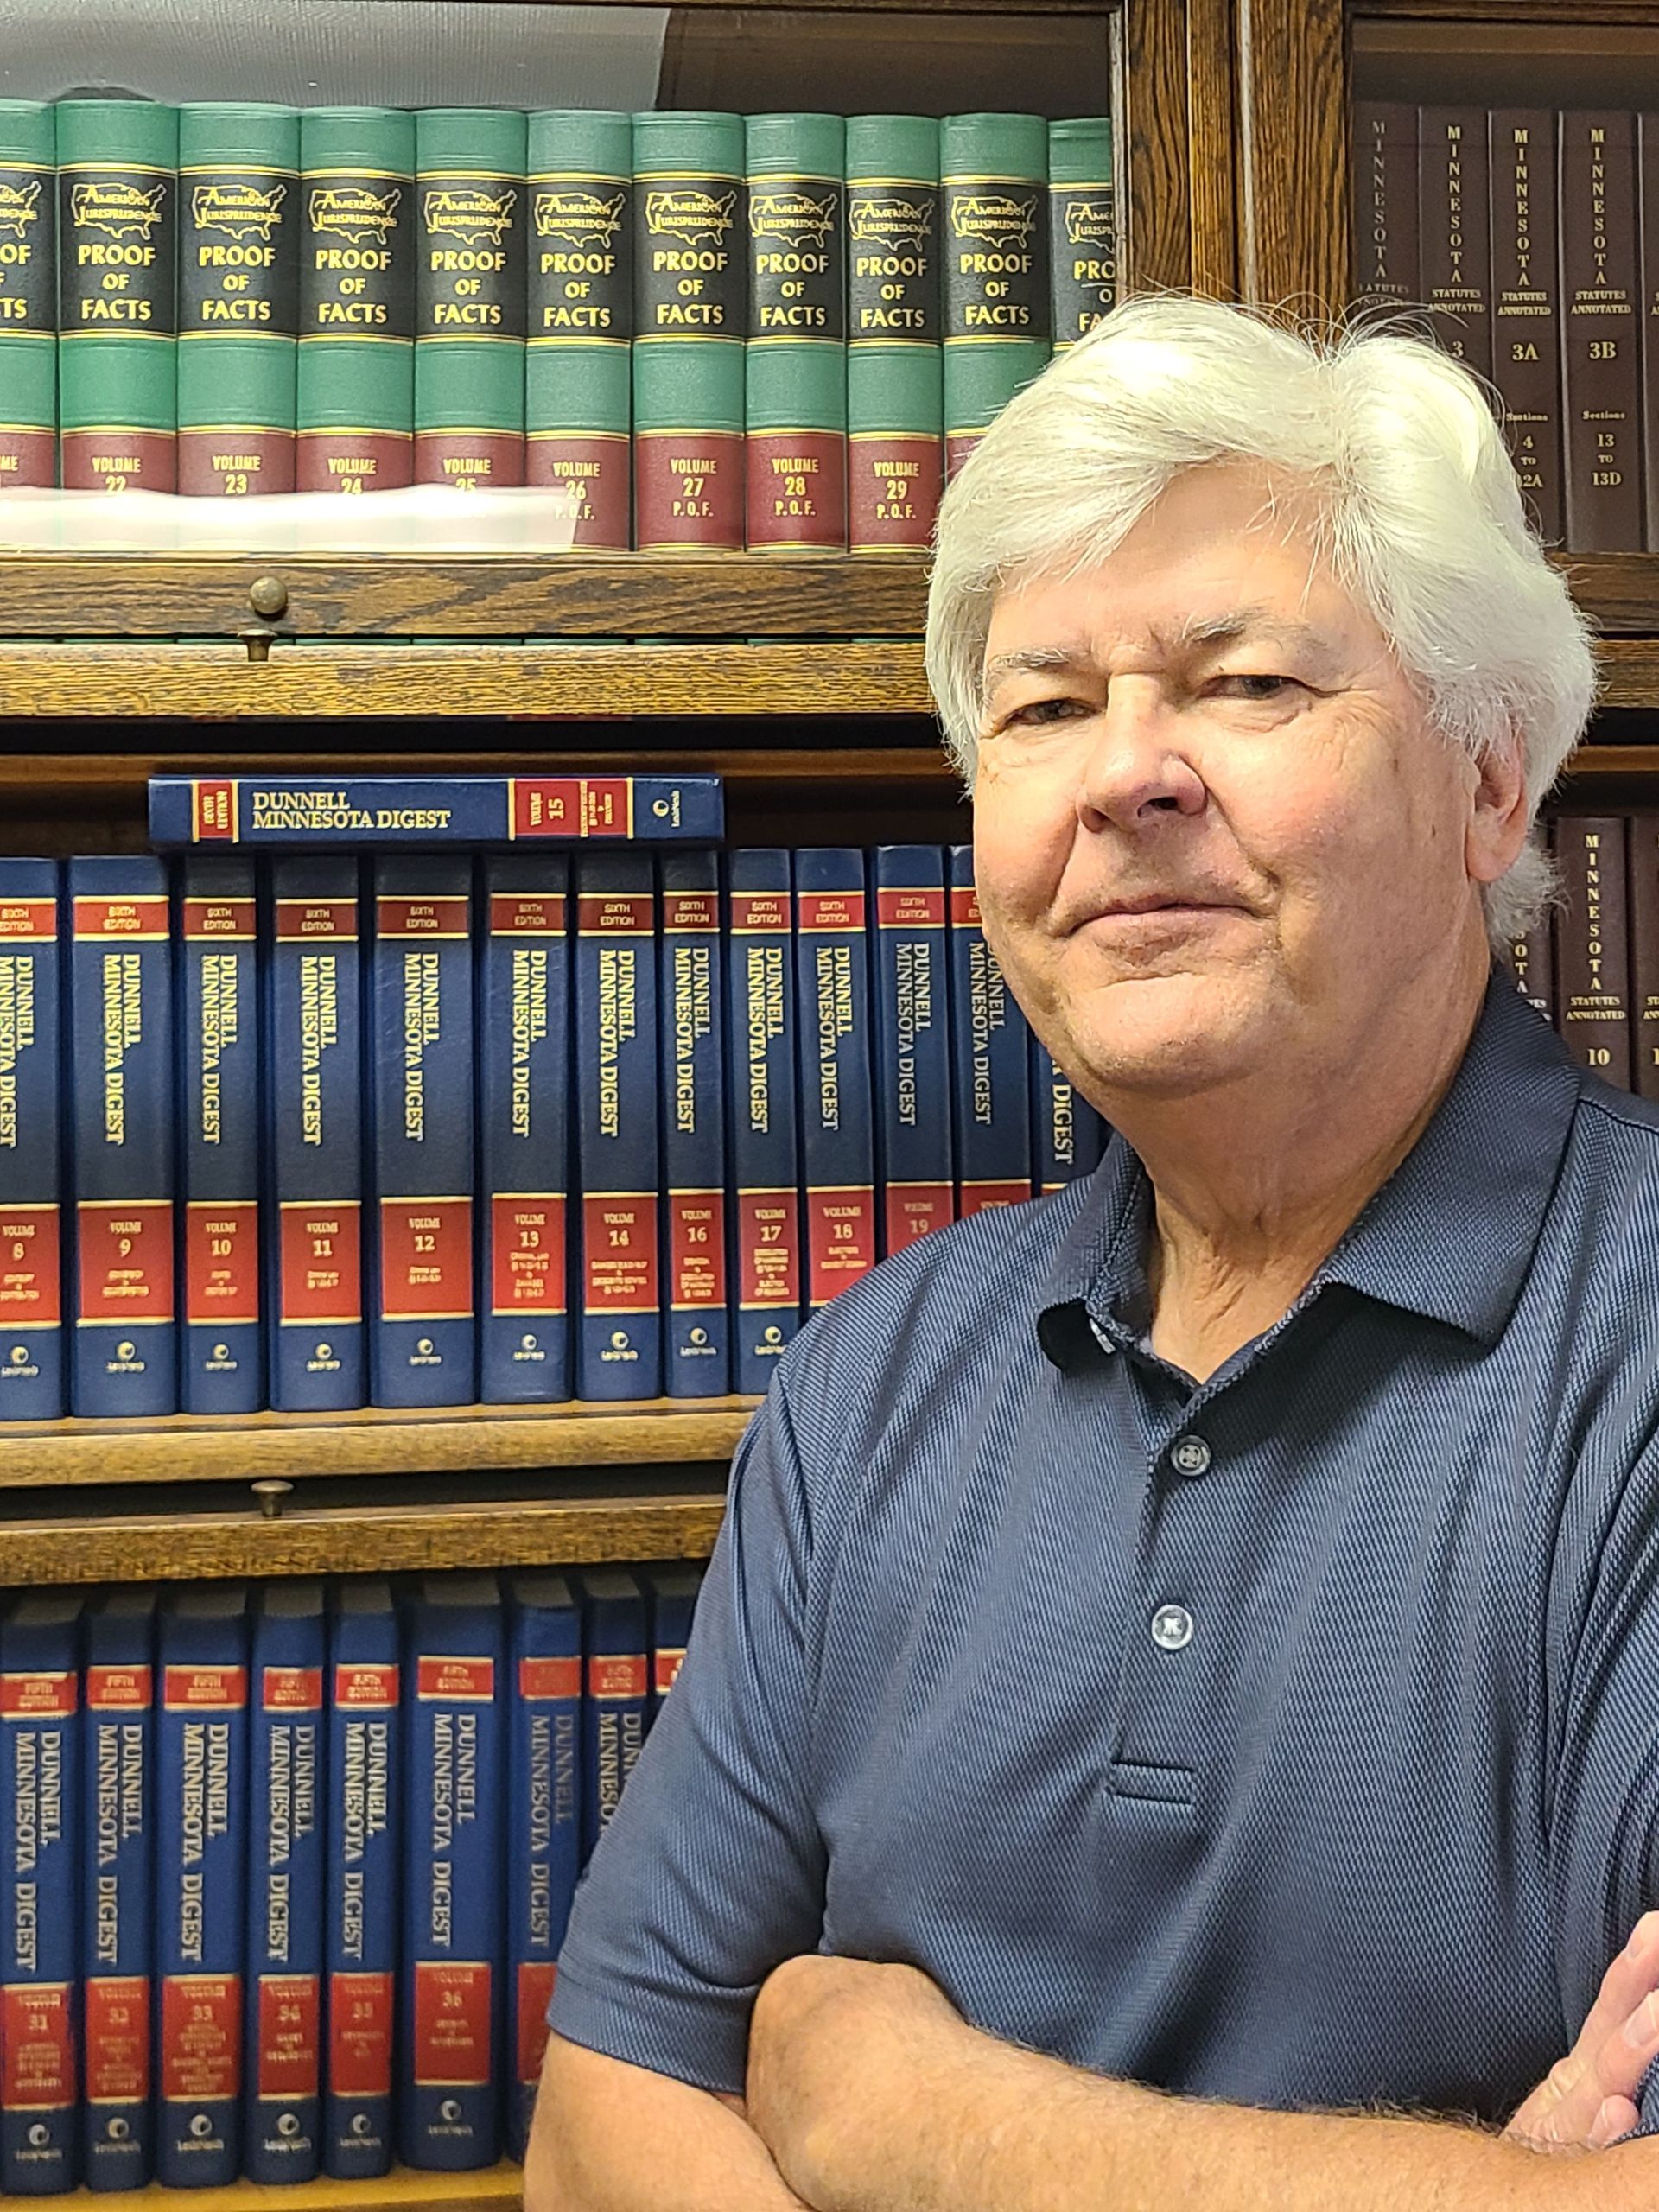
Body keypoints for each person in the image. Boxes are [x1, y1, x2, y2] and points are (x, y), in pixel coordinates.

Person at [527, 296, 1659, 2209]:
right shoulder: (877, 1373)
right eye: (1046, 706)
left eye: (1244, 685)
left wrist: (895, 2106)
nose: (1127, 775)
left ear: (1490, 785)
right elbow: (599, 2128)